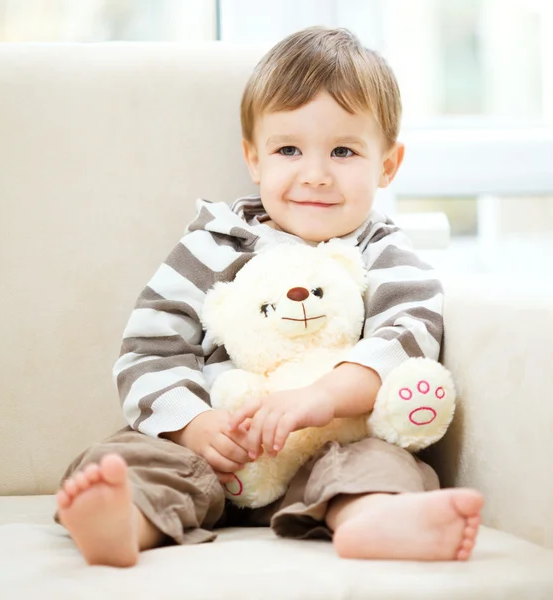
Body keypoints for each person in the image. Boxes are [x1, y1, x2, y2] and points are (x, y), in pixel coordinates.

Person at [55, 26, 483, 567]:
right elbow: (150, 345)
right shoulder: (213, 243)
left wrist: (325, 396)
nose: (316, 175)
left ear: (387, 165)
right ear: (254, 158)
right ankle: (125, 520)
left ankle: (370, 518)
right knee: (129, 456)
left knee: (383, 462)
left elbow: (411, 330)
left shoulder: (381, 249)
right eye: (288, 149)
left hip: (328, 448)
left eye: (344, 151)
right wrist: (192, 425)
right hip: (216, 451)